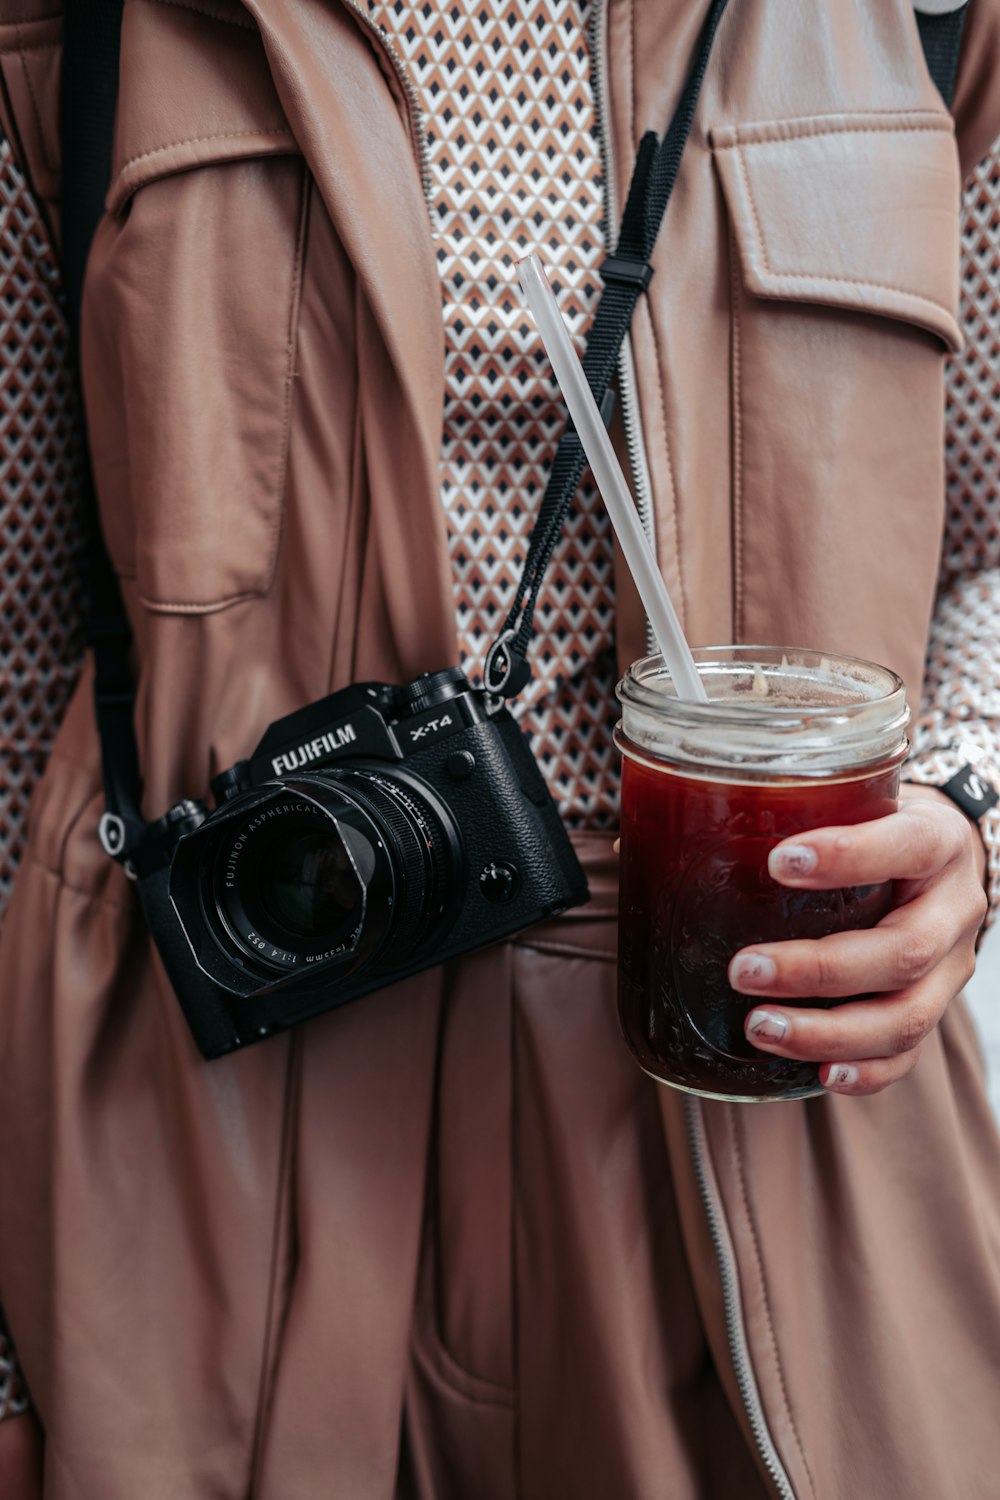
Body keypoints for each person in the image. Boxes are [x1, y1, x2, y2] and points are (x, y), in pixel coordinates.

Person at [1, 1, 1000, 1495]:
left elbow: (988, 554)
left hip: (755, 1067)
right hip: (207, 1092)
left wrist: (970, 800)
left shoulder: (927, 16)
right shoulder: (82, 25)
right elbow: (10, 663)